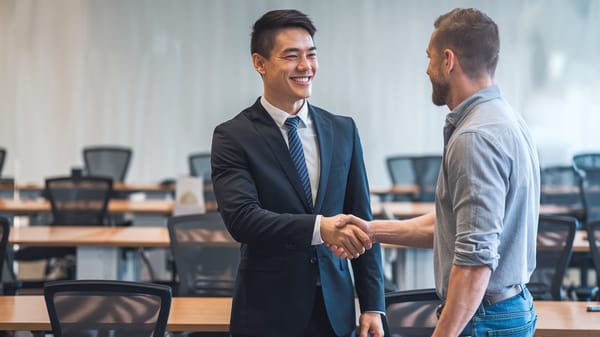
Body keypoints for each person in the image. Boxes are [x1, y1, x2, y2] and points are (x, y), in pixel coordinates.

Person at [333, 8, 540, 337]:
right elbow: (452, 227)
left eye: (429, 59)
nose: (427, 70)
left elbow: (475, 261)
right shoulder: (505, 120)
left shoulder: (475, 137)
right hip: (504, 308)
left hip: (482, 317)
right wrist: (372, 231)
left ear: (448, 60)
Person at [211, 9, 385, 337]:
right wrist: (321, 228)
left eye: (311, 55)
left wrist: (373, 303)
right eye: (291, 56)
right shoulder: (233, 135)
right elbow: (243, 220)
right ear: (260, 63)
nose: (305, 67)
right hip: (268, 311)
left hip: (335, 310)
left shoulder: (343, 130)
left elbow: (362, 219)